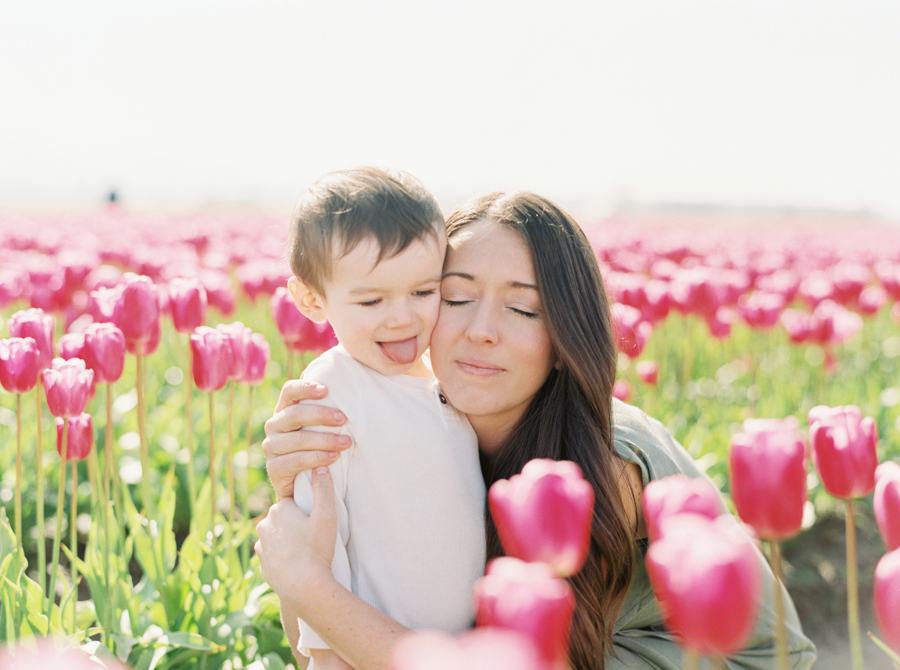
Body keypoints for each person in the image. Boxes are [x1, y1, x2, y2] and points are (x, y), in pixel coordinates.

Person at [256, 191, 817, 670]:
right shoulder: (420, 423)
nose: (480, 331)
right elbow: (316, 648)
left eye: (522, 310)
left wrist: (308, 583)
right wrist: (303, 495)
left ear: (564, 340)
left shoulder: (601, 468)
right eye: (454, 297)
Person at [279, 167, 486, 670]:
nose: (403, 317)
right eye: (372, 300)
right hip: (362, 650)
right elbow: (316, 532)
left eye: (423, 291)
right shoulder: (333, 390)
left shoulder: (449, 382)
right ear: (311, 299)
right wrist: (327, 653)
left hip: (459, 646)